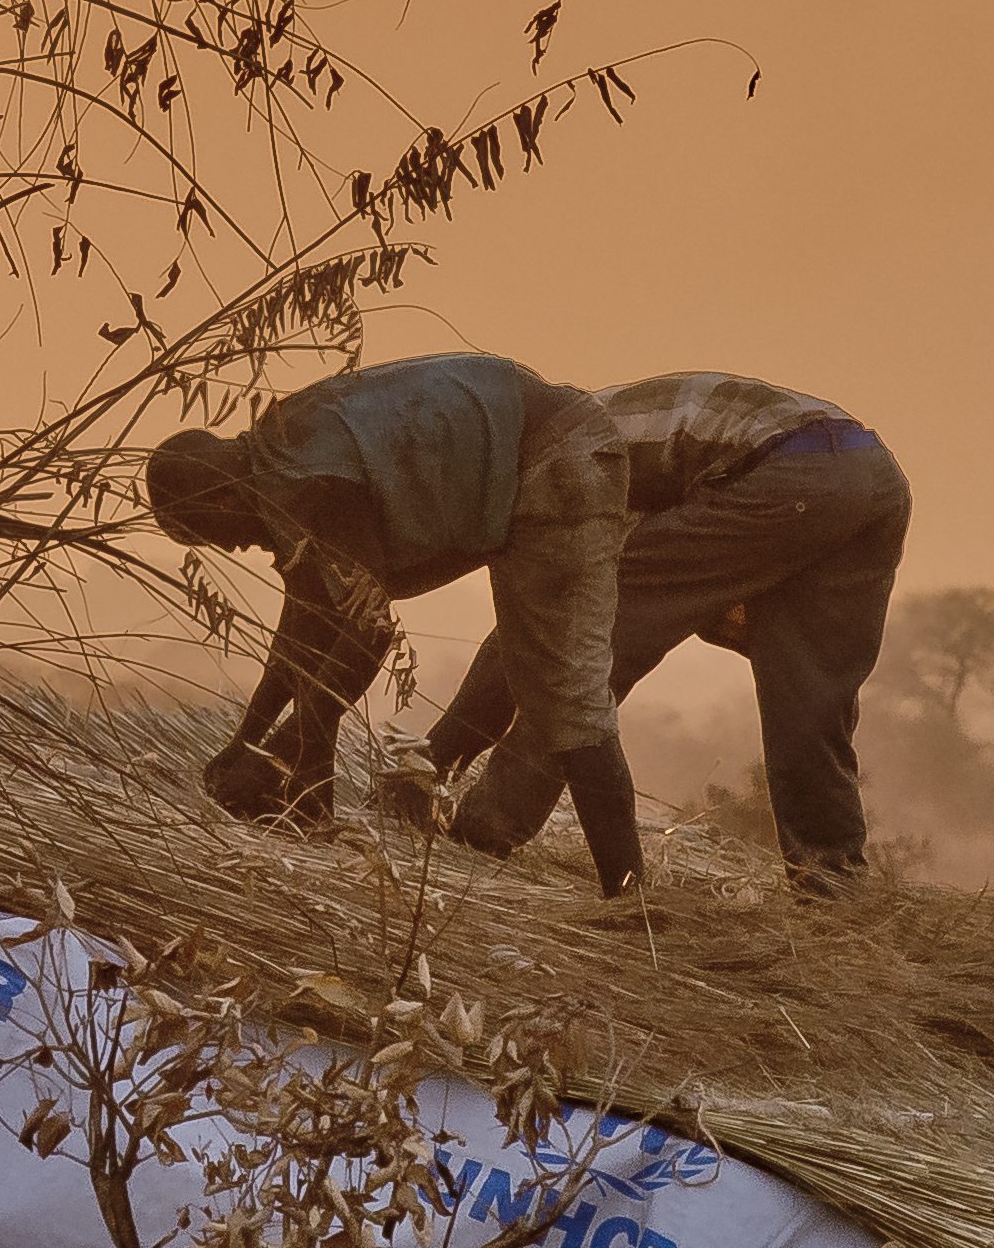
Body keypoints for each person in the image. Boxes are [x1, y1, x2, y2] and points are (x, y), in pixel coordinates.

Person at [143, 353, 646, 897]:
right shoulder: (280, 460)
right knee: (537, 675)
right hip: (538, 453)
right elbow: (308, 625)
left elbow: (368, 631)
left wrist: (298, 758)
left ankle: (631, 902)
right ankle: (622, 893)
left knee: (567, 693)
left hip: (558, 460)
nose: (232, 546)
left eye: (210, 534)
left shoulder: (310, 483)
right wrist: (249, 742)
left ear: (218, 496)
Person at [415, 372, 910, 896]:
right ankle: (834, 887)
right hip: (873, 476)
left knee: (583, 652)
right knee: (810, 701)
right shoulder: (586, 432)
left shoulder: (560, 460)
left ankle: (482, 832)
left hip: (788, 469)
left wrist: (433, 761)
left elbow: (550, 635)